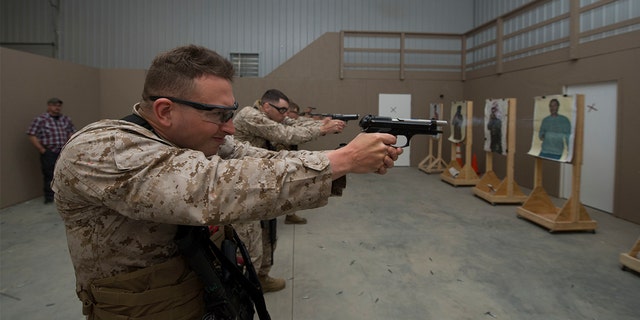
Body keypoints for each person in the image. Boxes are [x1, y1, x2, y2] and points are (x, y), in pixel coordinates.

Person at [51, 44, 401, 320]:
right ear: (165, 111)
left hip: (202, 295)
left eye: (230, 114)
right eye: (218, 115)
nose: (230, 127)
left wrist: (342, 164)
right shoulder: (101, 149)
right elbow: (209, 188)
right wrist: (343, 160)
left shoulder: (197, 139)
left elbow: (260, 160)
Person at [232, 89, 347, 292]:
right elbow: (285, 134)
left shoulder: (272, 115)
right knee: (251, 245)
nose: (286, 114)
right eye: (282, 110)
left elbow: (294, 124)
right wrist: (322, 129)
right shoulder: (250, 115)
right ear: (267, 106)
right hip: (244, 186)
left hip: (264, 182)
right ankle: (244, 289)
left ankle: (262, 277)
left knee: (269, 234)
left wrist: (322, 125)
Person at [26, 97, 76, 203]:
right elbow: (32, 134)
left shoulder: (65, 119)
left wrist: (70, 147)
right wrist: (41, 149)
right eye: (54, 105)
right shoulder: (41, 120)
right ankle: (50, 198)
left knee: (66, 174)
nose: (57, 108)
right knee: (49, 174)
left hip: (63, 152)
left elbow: (71, 133)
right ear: (49, 106)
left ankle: (65, 196)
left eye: (59, 106)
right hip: (49, 152)